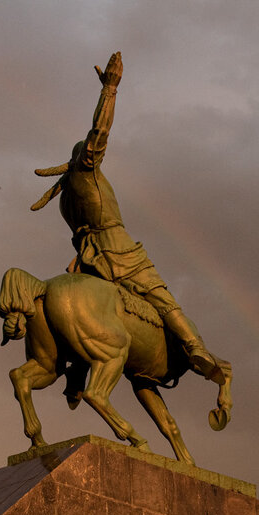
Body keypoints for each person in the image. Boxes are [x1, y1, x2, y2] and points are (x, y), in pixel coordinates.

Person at [30, 52, 225, 385]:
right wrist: (110, 89)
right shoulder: (86, 173)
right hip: (120, 252)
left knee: (98, 316)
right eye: (88, 152)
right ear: (82, 158)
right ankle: (196, 350)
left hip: (90, 260)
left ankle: (77, 374)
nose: (93, 153)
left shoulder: (67, 198)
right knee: (162, 298)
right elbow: (99, 131)